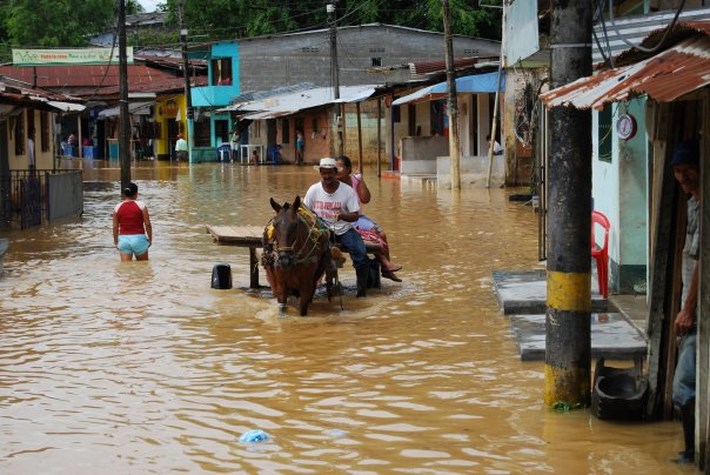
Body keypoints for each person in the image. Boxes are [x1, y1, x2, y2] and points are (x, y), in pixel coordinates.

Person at [670, 140, 701, 465]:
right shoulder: (693, 202)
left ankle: (693, 452)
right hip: (689, 311)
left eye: (687, 169)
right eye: (678, 171)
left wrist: (688, 308)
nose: (683, 177)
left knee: (683, 387)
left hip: (697, 314)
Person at [303, 157, 370, 297]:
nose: (327, 176)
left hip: (344, 229)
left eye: (330, 173)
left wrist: (342, 216)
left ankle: (361, 291)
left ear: (335, 172)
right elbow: (305, 212)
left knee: (361, 254)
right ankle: (307, 287)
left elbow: (355, 215)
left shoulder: (347, 191)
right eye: (324, 173)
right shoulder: (313, 190)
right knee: (306, 254)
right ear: (320, 172)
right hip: (321, 229)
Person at [335, 155, 402, 282]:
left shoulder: (354, 180)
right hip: (342, 220)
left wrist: (360, 180)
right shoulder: (333, 183)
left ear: (348, 169)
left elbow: (366, 199)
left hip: (357, 217)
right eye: (335, 167)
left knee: (381, 234)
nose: (337, 170)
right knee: (371, 234)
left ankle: (386, 267)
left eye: (340, 167)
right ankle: (384, 262)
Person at [112, 182, 152, 262]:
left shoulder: (117, 207)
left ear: (124, 194)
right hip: (139, 239)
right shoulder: (142, 206)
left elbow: (115, 227)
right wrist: (150, 239)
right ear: (136, 194)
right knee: (143, 268)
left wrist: (116, 241)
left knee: (126, 270)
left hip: (124, 241)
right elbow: (147, 224)